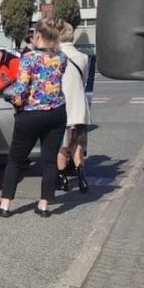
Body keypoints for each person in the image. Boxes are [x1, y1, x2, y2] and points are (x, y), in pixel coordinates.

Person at [0, 18, 69, 218]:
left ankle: (5, 205)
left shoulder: (29, 57)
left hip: (32, 114)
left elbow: (21, 88)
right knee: (49, 160)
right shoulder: (61, 57)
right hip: (57, 113)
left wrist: (14, 100)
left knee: (16, 159)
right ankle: (44, 205)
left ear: (38, 36)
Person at [57, 23, 91, 192]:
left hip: (61, 105)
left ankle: (62, 180)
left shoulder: (55, 56)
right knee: (76, 144)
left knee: (61, 145)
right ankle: (82, 178)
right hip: (79, 106)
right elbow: (83, 81)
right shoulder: (83, 57)